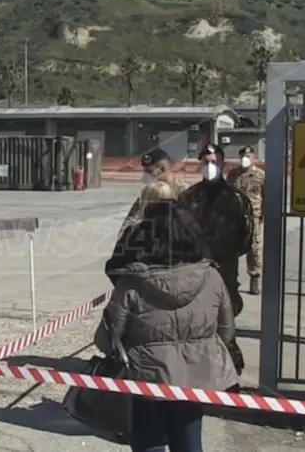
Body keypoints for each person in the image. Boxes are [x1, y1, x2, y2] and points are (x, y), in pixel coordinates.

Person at [96, 200, 239, 452]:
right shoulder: (211, 276)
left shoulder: (131, 282)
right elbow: (226, 331)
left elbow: (107, 340)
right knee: (190, 442)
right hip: (197, 376)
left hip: (146, 379)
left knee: (148, 441)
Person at [177, 142, 252, 374]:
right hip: (195, 269)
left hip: (225, 270)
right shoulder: (188, 197)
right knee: (196, 318)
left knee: (226, 318)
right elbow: (179, 232)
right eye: (206, 162)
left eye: (214, 161)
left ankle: (229, 369)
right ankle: (198, 369)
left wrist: (225, 255)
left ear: (223, 164)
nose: (210, 166)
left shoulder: (238, 199)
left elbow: (246, 239)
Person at [121, 149, 189, 236]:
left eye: (149, 172)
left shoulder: (185, 192)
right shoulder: (148, 193)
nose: (146, 176)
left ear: (161, 169)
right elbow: (130, 222)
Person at [226, 145, 265, 296]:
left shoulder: (261, 175)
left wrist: (263, 214)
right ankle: (232, 279)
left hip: (253, 215)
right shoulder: (233, 174)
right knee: (233, 248)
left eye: (249, 156)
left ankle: (254, 277)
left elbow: (265, 196)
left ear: (253, 157)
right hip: (236, 215)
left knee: (254, 247)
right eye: (243, 156)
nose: (246, 158)